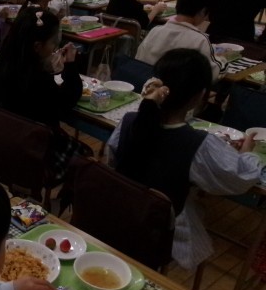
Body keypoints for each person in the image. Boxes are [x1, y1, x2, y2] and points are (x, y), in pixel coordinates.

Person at [107, 48, 262, 270]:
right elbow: (242, 176)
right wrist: (247, 152)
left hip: (114, 213)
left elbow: (113, 160)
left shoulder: (129, 121)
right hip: (157, 232)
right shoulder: (197, 144)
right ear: (200, 95)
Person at [0, 7, 90, 181]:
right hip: (34, 154)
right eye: (53, 43)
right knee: (87, 157)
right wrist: (70, 65)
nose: (55, 48)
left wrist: (46, 69)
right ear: (37, 46)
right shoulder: (37, 79)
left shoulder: (1, 63)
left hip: (0, 145)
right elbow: (66, 102)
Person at [136, 0, 225, 80]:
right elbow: (211, 75)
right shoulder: (200, 41)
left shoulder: (155, 31)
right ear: (203, 11)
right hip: (177, 89)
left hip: (146, 85)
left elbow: (138, 61)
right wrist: (221, 59)